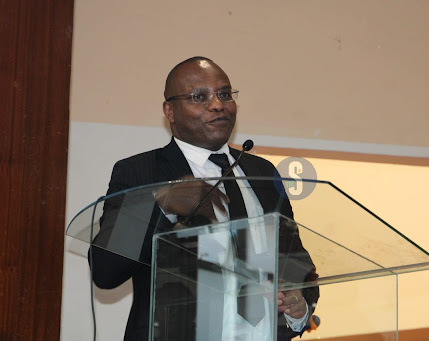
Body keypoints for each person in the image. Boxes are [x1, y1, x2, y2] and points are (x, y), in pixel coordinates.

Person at [90, 56, 319, 341]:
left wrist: (299, 306)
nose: (217, 104)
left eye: (224, 94)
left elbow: (296, 262)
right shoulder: (141, 172)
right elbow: (106, 271)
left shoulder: (261, 173)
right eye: (199, 97)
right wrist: (160, 204)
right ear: (169, 111)